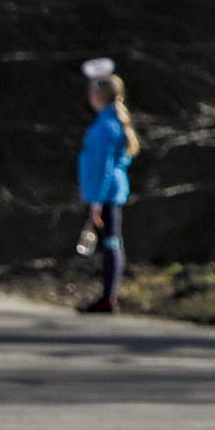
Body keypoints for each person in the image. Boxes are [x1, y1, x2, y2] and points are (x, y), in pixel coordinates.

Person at [73, 61, 139, 315]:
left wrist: (96, 203)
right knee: (110, 244)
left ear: (100, 94)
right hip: (106, 193)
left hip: (106, 194)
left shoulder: (105, 127)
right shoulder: (109, 122)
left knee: (111, 244)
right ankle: (107, 295)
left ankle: (109, 297)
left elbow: (104, 167)